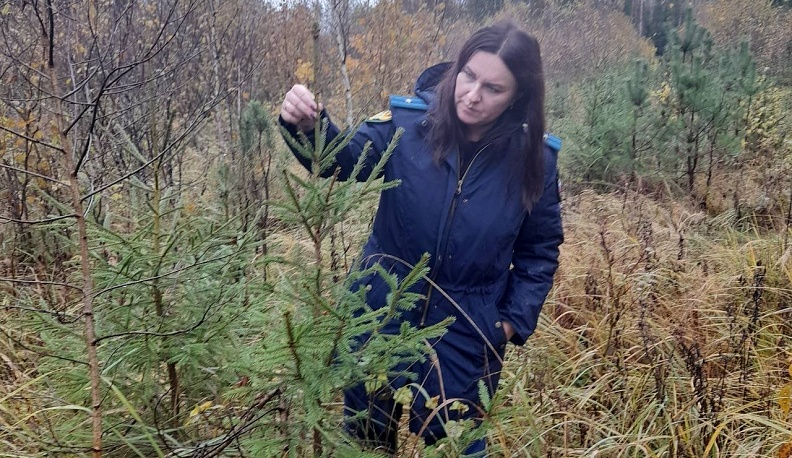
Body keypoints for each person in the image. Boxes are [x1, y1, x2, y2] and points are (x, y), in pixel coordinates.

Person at [279, 20, 563, 455]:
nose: (472, 94)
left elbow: (539, 251)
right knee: (367, 441)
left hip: (467, 327)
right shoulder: (408, 125)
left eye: (493, 88)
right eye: (468, 75)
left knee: (455, 446)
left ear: (518, 97)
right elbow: (338, 158)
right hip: (380, 311)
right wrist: (306, 125)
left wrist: (507, 323)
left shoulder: (535, 159)